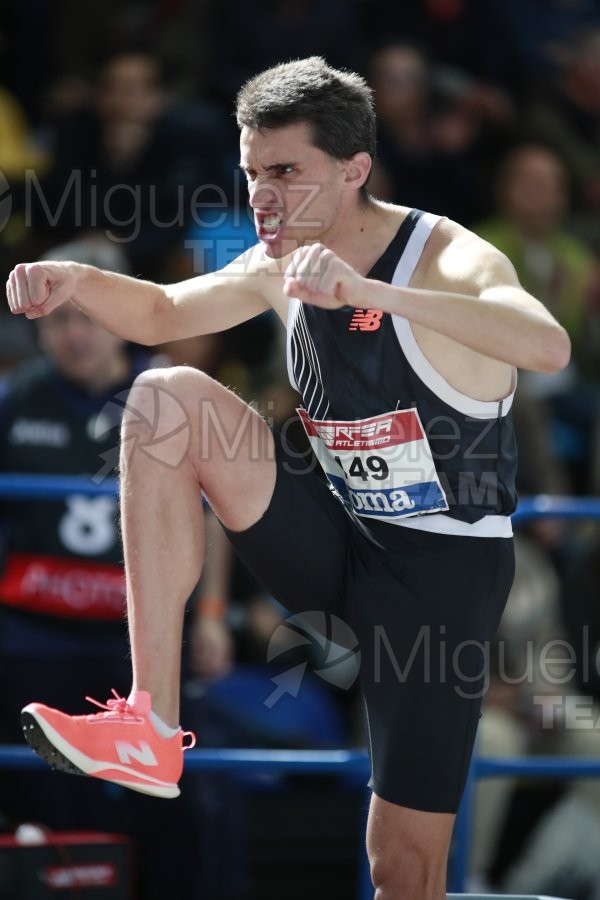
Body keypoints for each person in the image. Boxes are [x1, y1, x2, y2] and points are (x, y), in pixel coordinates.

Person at [6, 57, 570, 900]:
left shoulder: (447, 256)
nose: (261, 197)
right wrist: (78, 281)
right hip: (335, 542)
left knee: (403, 868)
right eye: (250, 173)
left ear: (354, 171)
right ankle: (150, 723)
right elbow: (162, 313)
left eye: (284, 173)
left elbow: (548, 345)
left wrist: (372, 291)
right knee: (166, 398)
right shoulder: (276, 263)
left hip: (440, 580)